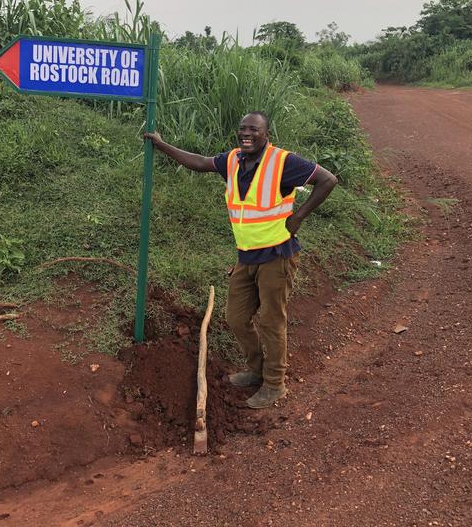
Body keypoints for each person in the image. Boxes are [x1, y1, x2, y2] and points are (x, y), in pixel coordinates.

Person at [144, 112, 337, 408]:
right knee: (235, 317)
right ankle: (257, 369)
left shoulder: (283, 162)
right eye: (243, 129)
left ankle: (275, 384)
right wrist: (161, 144)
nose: (247, 134)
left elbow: (327, 180)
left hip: (277, 256)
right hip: (246, 259)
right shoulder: (233, 160)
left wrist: (299, 216)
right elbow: (199, 162)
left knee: (272, 322)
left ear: (266, 133)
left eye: (254, 130)